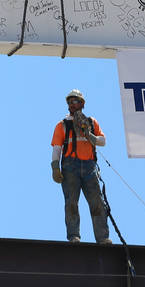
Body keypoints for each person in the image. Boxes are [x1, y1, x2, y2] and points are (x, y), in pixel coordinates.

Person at [50, 89, 111, 244]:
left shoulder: (91, 122)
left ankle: (103, 238)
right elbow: (57, 148)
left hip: (89, 167)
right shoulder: (62, 125)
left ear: (82, 103)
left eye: (75, 101)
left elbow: (103, 141)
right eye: (70, 102)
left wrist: (90, 136)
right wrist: (55, 167)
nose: (72, 104)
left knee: (97, 202)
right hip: (71, 167)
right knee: (71, 202)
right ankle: (74, 236)